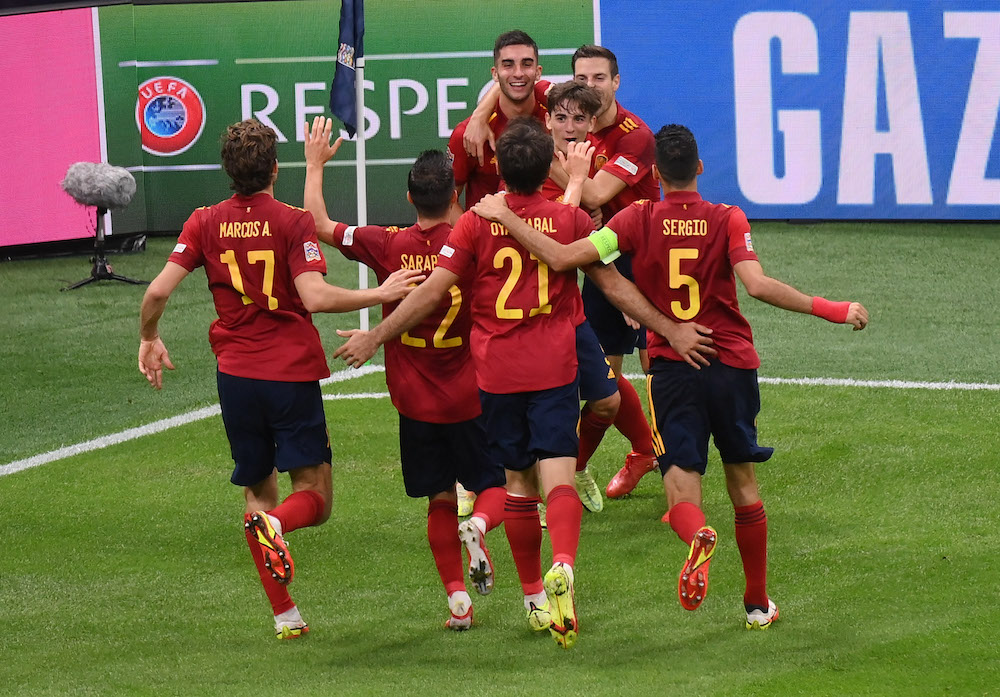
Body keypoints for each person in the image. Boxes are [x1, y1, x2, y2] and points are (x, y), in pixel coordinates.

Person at [470, 123, 869, 631]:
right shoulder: (728, 217)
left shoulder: (637, 217)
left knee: (682, 494)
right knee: (744, 485)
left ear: (655, 173)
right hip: (730, 365)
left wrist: (507, 215)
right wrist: (833, 309)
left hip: (673, 369)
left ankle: (698, 533)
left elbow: (563, 256)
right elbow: (758, 285)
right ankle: (757, 604)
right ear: (699, 168)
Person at [335, 119, 714, 649]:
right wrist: (668, 327)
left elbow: (429, 294)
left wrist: (377, 335)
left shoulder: (473, 222)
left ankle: (535, 597)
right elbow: (614, 287)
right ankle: (563, 565)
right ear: (546, 171)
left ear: (500, 174)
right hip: (553, 367)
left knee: (517, 485)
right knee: (558, 480)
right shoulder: (571, 218)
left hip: (494, 372)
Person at [137, 119, 423, 640]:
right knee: (314, 496)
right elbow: (313, 297)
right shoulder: (291, 222)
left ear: (228, 172)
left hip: (235, 378)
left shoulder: (202, 222)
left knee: (257, 491)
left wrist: (149, 337)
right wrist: (379, 295)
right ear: (274, 168)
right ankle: (278, 529)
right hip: (288, 374)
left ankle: (285, 615)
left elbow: (156, 292)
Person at [303, 116, 508, 630]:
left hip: (415, 402)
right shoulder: (478, 241)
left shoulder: (386, 243)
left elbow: (319, 224)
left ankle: (458, 600)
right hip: (472, 396)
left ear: (409, 196)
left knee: (439, 499)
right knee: (500, 485)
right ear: (454, 192)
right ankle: (480, 524)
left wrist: (313, 165)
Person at [466, 45, 661, 502]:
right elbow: (507, 84)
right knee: (603, 378)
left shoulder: (633, 137)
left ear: (615, 83)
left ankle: (648, 464)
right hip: (567, 278)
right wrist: (480, 115)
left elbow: (591, 197)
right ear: (548, 113)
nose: (589, 87)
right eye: (581, 77)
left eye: (599, 79)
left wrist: (559, 165)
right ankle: (496, 485)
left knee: (642, 374)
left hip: (627, 255)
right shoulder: (533, 160)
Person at [446, 29, 549, 220]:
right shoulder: (467, 134)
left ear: (538, 72)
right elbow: (446, 201)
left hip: (549, 242)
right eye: (508, 65)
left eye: (526, 64)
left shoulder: (558, 120)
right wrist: (476, 237)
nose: (518, 73)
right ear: (495, 73)